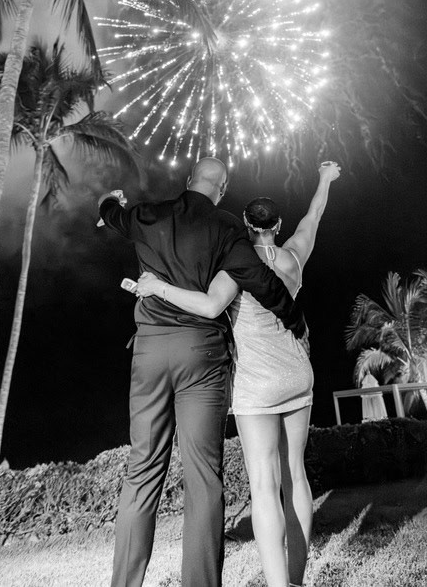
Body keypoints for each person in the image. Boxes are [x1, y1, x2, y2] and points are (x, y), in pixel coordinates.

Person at [97, 157, 305, 587]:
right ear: (222, 189)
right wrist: (294, 319)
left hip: (151, 352)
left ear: (188, 181)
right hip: (202, 358)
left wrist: (109, 202)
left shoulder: (147, 214)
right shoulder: (227, 227)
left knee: (142, 469)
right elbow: (259, 279)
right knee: (203, 475)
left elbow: (112, 215)